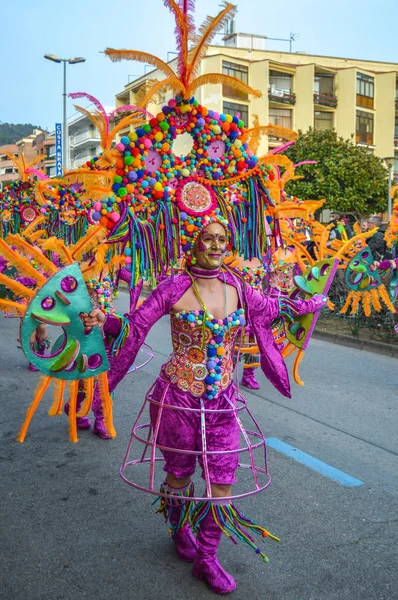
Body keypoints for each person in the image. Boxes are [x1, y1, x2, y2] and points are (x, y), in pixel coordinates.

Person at [82, 216, 326, 595]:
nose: (215, 246)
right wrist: (104, 320)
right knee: (179, 476)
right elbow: (134, 326)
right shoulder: (173, 287)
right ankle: (179, 529)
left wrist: (314, 302)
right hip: (177, 397)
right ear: (192, 245)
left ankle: (207, 558)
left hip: (223, 402)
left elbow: (275, 310)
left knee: (223, 483)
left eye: (222, 239)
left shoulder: (239, 287)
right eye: (207, 239)